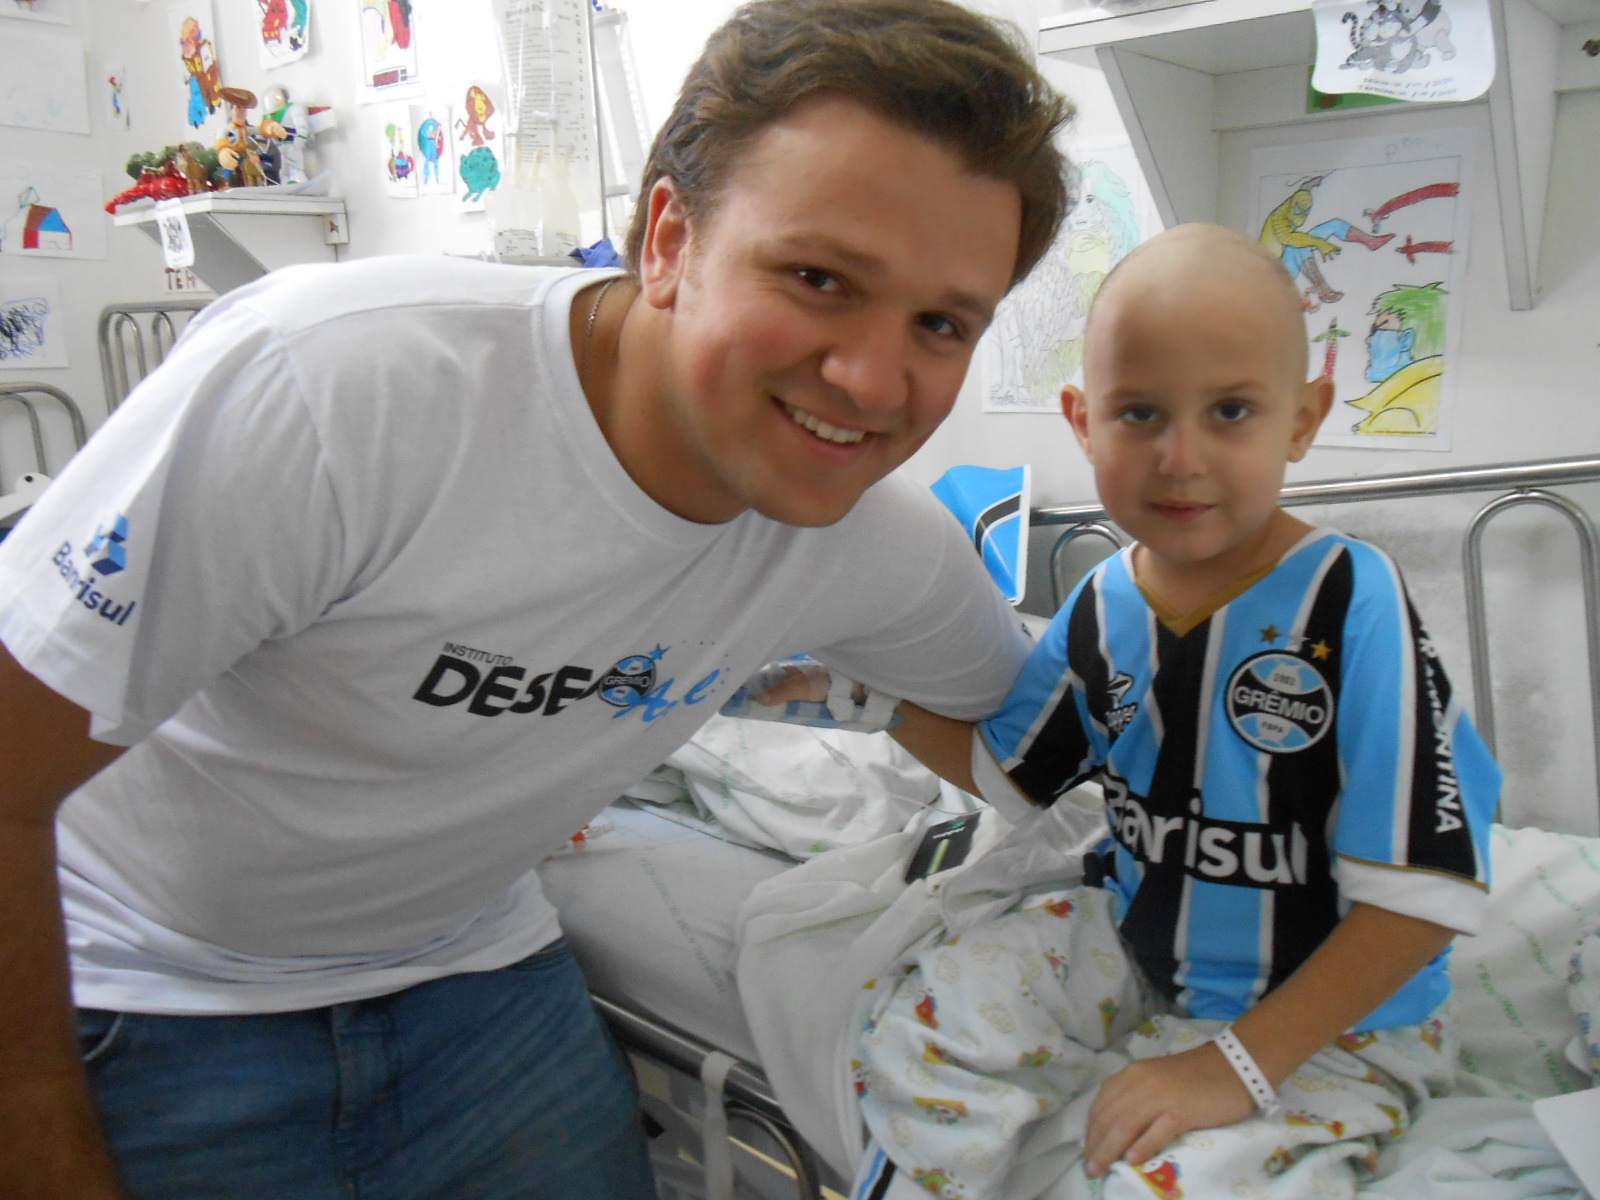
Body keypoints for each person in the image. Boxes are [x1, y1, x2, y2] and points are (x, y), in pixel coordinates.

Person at [0, 2, 1074, 1196]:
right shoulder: (338, 395)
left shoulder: (874, 543)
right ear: (667, 239)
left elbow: (1044, 749)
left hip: (474, 976)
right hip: (146, 984)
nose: (873, 379)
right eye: (818, 277)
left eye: (940, 323)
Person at [798, 224, 1501, 1199]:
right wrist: (858, 698)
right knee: (917, 1021)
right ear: (1081, 423)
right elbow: (1009, 776)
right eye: (1138, 413)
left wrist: (1236, 1066)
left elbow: (1425, 893)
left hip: (1334, 1017)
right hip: (1138, 951)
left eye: (1230, 411)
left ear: (1302, 420)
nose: (1180, 457)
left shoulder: (1349, 599)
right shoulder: (1103, 603)